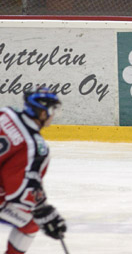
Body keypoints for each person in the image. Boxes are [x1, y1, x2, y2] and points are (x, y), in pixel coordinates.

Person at [0, 87, 67, 254]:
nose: (53, 115)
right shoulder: (34, 146)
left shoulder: (6, 113)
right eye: (52, 110)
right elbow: (18, 192)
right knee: (31, 223)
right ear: (43, 113)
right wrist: (43, 211)